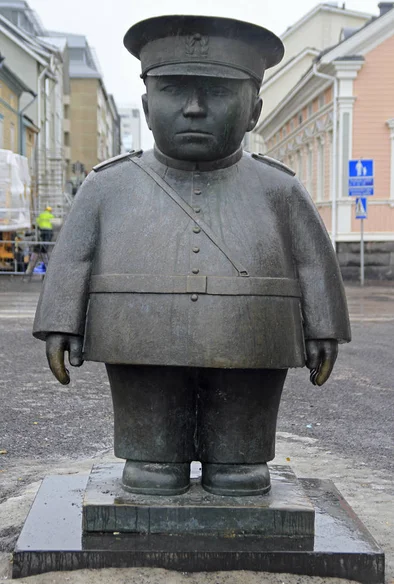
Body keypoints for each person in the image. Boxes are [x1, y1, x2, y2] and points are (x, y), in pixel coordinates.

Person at [33, 15, 351, 497]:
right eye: (175, 91)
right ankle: (153, 453)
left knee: (239, 469)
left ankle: (237, 455)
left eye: (218, 93)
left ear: (254, 111)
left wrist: (325, 325)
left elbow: (312, 259)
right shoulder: (107, 186)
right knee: (151, 468)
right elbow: (74, 257)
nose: (195, 109)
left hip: (251, 338)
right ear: (145, 105)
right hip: (138, 337)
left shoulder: (280, 189)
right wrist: (60, 320)